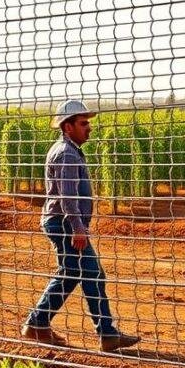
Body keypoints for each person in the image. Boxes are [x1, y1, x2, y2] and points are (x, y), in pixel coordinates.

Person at [21, 99, 141, 352]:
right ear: (68, 126)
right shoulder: (66, 153)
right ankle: (104, 333)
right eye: (83, 123)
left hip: (64, 222)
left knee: (74, 273)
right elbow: (67, 197)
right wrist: (77, 227)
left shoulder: (70, 150)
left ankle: (39, 324)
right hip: (64, 223)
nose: (89, 128)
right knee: (89, 273)